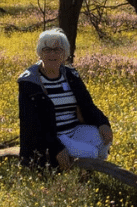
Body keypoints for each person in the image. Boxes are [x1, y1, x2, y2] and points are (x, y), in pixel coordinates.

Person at [17, 28, 113, 170]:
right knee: (90, 152)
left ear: (65, 54)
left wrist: (103, 123)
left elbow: (88, 105)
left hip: (73, 131)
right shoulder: (30, 82)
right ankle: (79, 177)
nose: (52, 54)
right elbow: (32, 124)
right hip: (52, 136)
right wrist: (57, 148)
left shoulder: (71, 76)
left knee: (103, 140)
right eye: (47, 50)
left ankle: (80, 172)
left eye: (57, 50)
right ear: (39, 53)